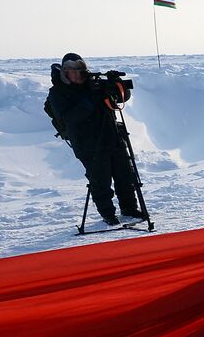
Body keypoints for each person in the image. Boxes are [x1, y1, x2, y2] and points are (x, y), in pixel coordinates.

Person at [45, 53, 141, 226]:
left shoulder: (94, 84)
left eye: (80, 69)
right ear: (65, 73)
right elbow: (69, 118)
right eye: (71, 70)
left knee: (125, 176)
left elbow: (122, 98)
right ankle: (108, 214)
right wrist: (91, 101)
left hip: (113, 137)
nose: (76, 74)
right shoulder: (57, 93)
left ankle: (130, 209)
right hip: (87, 143)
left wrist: (116, 85)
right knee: (100, 180)